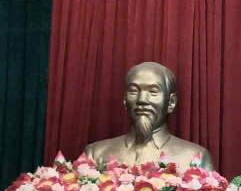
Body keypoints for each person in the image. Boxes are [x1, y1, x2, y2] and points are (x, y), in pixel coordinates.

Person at [82, 61, 213, 169]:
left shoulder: (195, 157)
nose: (142, 100)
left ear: (171, 102)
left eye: (153, 92)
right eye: (133, 91)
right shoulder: (95, 154)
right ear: (124, 100)